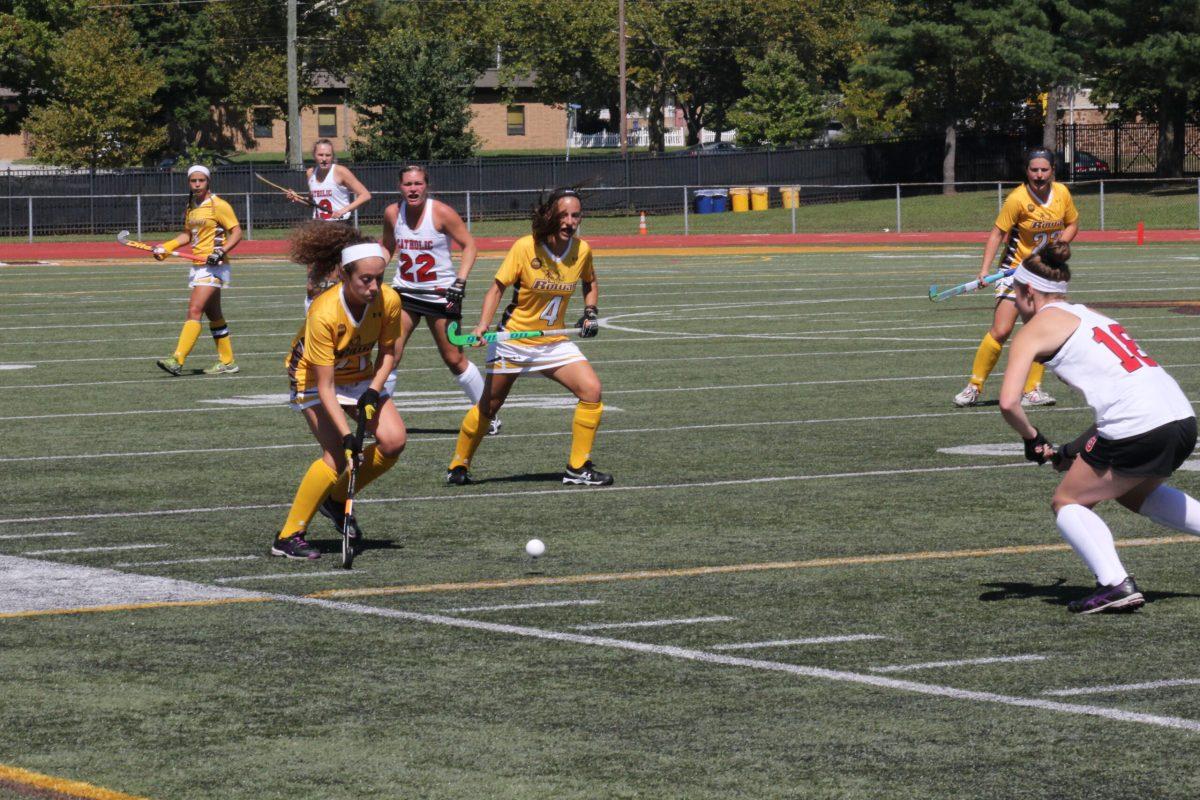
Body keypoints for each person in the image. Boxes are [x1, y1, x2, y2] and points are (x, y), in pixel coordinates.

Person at [999, 242, 1198, 614]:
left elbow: (1010, 403)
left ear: (1027, 292)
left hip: (1138, 423)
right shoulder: (1092, 316)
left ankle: (1114, 584)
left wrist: (1033, 439)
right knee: (1133, 494)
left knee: (1068, 502)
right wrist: (1069, 451)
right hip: (1181, 418)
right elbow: (1117, 405)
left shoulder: (1033, 330)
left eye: (1015, 296)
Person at [445, 188, 611, 487]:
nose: (569, 222)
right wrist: (482, 326)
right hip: (513, 342)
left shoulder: (582, 250)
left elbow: (591, 282)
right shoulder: (525, 247)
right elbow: (496, 289)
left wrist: (590, 312)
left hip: (554, 342)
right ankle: (458, 464)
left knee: (592, 390)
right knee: (489, 407)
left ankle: (577, 468)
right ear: (550, 216)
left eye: (575, 216)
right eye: (563, 215)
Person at [272, 229, 406, 560]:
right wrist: (348, 437)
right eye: (365, 279)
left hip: (361, 378)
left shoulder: (388, 300)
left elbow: (389, 353)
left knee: (393, 441)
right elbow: (325, 386)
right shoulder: (324, 312)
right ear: (344, 275)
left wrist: (374, 390)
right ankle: (288, 536)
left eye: (379, 278)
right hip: (313, 378)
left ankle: (334, 500)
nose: (374, 287)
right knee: (335, 454)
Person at [954, 148, 1079, 408]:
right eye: (1034, 170)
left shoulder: (1062, 193)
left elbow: (1072, 224)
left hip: (1043, 272)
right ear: (1027, 171)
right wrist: (985, 269)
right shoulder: (1017, 199)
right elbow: (997, 234)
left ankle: (1032, 390)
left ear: (1052, 170)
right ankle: (973, 387)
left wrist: (1058, 246)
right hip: (1015, 271)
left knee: (1039, 331)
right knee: (1001, 329)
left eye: (1044, 170)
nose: (1039, 175)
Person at [381, 165, 499, 435]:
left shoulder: (441, 212)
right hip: (405, 293)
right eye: (408, 184)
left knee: (454, 358)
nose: (413, 189)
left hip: (441, 295)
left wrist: (460, 280)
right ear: (400, 187)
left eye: (418, 183)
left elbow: (470, 245)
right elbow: (387, 246)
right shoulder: (391, 212)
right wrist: (375, 268)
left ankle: (487, 415)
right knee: (390, 355)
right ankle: (377, 418)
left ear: (427, 186)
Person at [154, 165, 242, 376]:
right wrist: (167, 247)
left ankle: (177, 359)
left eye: (201, 180)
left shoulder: (218, 205)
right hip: (198, 265)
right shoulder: (191, 206)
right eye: (193, 181)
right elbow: (188, 235)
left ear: (208, 181)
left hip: (214, 266)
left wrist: (221, 251)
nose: (197, 184)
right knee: (214, 314)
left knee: (194, 310)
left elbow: (237, 232)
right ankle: (228, 362)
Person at [286, 139, 372, 222]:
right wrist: (297, 198)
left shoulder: (340, 171)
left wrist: (344, 210)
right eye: (320, 155)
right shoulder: (310, 173)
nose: (324, 159)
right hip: (319, 225)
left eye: (328, 155)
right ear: (314, 155)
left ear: (332, 156)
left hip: (340, 224)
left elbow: (365, 195)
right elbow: (313, 202)